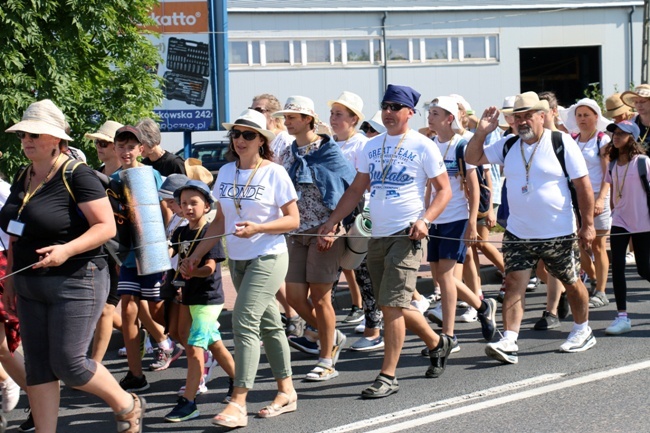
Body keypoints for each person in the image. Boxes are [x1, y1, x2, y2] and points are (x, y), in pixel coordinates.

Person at [0, 99, 145, 432]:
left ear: (57, 139)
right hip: (28, 283)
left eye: (35, 134)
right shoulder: (24, 175)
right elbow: (14, 227)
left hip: (78, 279)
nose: (27, 141)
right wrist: (9, 279)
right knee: (38, 367)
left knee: (71, 365)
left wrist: (67, 250)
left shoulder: (76, 174)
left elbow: (106, 227)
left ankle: (126, 403)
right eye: (24, 134)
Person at [319, 84, 454, 398]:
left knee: (391, 306)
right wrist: (332, 221)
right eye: (386, 106)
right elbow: (356, 190)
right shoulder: (371, 145)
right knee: (392, 303)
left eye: (396, 107)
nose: (389, 112)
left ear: (409, 112)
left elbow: (444, 190)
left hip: (407, 234)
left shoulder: (424, 146)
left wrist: (426, 219)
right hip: (376, 234)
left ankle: (388, 376)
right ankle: (437, 343)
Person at [186, 109, 299, 428]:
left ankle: (238, 402)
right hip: (237, 258)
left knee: (244, 318)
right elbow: (219, 221)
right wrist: (195, 254)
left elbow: (293, 219)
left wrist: (259, 228)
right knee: (269, 324)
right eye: (236, 133)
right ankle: (287, 391)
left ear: (262, 140)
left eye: (248, 134)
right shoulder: (223, 171)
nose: (240, 139)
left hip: (270, 254)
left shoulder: (274, 172)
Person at [466, 91, 597, 364]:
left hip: (558, 232)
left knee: (571, 283)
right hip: (518, 233)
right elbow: (473, 157)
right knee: (514, 283)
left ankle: (582, 329)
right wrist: (481, 132)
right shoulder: (507, 145)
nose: (522, 121)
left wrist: (588, 225)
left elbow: (583, 186)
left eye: (528, 116)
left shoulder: (561, 142)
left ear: (542, 116)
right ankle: (510, 339)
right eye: (518, 117)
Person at [274, 96, 356, 381]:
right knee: (295, 297)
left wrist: (333, 226)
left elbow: (350, 188)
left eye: (293, 117)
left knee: (321, 298)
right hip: (296, 232)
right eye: (286, 117)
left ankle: (326, 358)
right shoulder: (288, 154)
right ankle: (331, 335)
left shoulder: (328, 150)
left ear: (308, 119)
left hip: (325, 231)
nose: (287, 122)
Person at [423, 96, 497, 347]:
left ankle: (449, 335)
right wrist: (425, 215)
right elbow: (428, 185)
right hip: (435, 219)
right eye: (430, 112)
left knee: (445, 276)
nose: (430, 117)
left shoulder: (462, 145)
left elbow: (474, 187)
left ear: (449, 118)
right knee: (440, 278)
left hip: (457, 217)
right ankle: (482, 305)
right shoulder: (430, 143)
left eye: (435, 113)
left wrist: (473, 222)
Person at [113, 125, 182, 393]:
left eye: (131, 146)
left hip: (151, 251)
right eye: (121, 146)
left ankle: (178, 341)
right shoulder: (113, 179)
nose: (126, 151)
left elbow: (164, 209)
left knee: (156, 309)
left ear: (141, 149)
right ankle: (136, 374)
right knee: (128, 308)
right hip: (127, 256)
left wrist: (165, 240)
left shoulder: (152, 175)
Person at [163, 180, 235, 422]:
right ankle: (239, 379)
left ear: (206, 206)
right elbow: (172, 252)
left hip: (207, 298)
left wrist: (193, 271)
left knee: (194, 346)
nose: (188, 208)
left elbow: (210, 268)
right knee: (208, 341)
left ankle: (189, 402)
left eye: (194, 203)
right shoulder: (182, 231)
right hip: (188, 296)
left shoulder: (208, 233)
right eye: (184, 204)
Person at [248, 94, 303, 337]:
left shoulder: (285, 141)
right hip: (266, 215)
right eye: (252, 109)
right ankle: (287, 316)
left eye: (259, 109)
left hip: (284, 213)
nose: (255, 113)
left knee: (276, 270)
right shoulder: (265, 141)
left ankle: (294, 316)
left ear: (272, 114)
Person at [560, 99, 612, 308]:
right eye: (579, 115)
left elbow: (608, 173)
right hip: (576, 196)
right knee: (578, 242)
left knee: (598, 245)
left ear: (595, 117)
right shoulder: (571, 139)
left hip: (598, 193)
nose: (582, 119)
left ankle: (601, 291)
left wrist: (601, 199)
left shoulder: (602, 140)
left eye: (586, 115)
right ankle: (594, 278)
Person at [603, 120, 650, 334]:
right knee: (618, 268)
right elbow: (612, 193)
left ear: (632, 137)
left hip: (644, 222)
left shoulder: (643, 162)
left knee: (644, 269)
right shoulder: (612, 164)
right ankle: (622, 316)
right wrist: (614, 212)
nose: (616, 137)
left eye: (622, 134)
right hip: (620, 221)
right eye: (615, 134)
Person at [84, 120, 125, 363]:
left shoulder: (130, 175)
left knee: (108, 309)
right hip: (98, 250)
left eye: (104, 142)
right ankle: (152, 335)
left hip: (124, 251)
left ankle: (94, 366)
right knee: (102, 308)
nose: (98, 146)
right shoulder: (93, 174)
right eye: (97, 142)